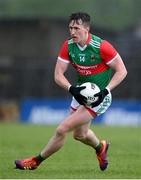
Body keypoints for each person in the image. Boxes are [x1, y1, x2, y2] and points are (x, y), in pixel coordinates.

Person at [15, 12, 127, 171]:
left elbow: (122, 71)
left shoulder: (102, 46)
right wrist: (72, 89)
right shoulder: (68, 46)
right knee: (79, 135)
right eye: (70, 28)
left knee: (62, 129)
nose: (72, 32)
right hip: (81, 94)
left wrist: (105, 91)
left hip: (99, 97)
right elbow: (58, 75)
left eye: (76, 28)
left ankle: (35, 161)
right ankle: (100, 148)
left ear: (87, 29)